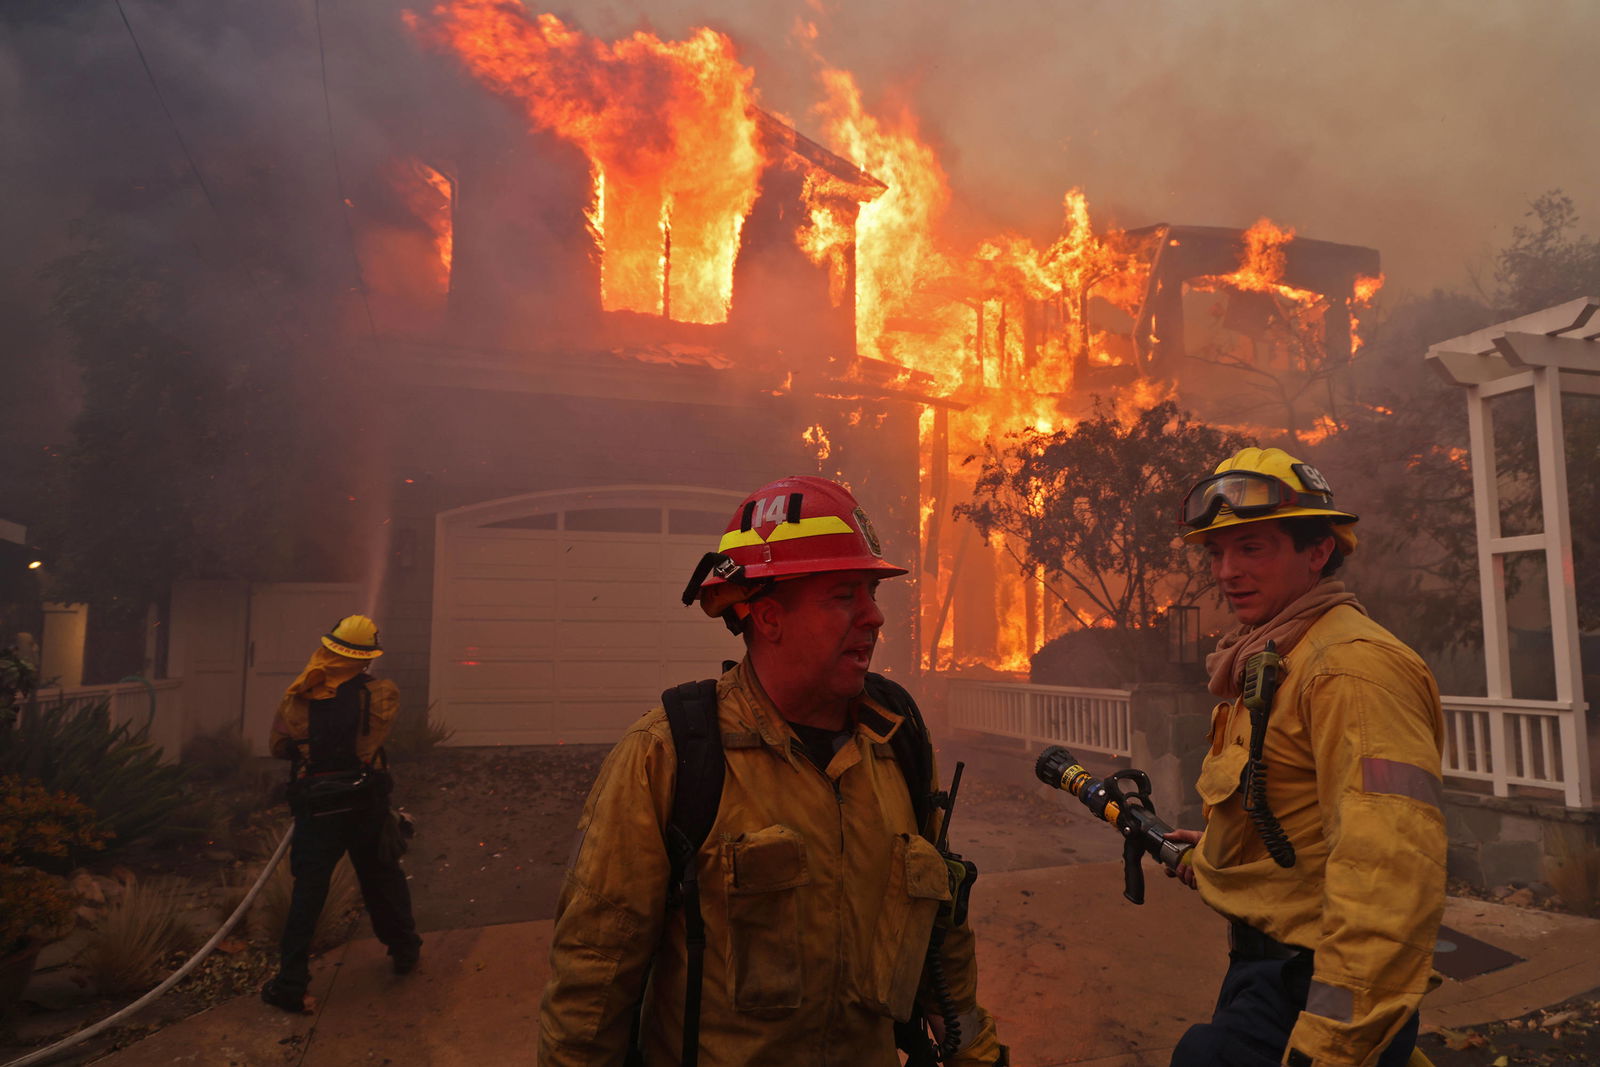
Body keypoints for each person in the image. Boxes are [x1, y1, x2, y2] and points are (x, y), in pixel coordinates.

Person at [539, 475, 1006, 1066]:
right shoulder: (670, 755)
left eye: (871, 592)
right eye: (844, 595)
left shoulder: (897, 741)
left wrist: (977, 1053)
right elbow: (592, 983)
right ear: (767, 617)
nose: (874, 618)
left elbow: (943, 937)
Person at [1164, 447, 1446, 1067]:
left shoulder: (1352, 670)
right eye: (1215, 552)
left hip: (1315, 992)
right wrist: (1211, 856)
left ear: (1319, 552)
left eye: (1252, 548)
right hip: (1269, 972)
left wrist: (1331, 1046)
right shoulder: (1274, 655)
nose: (1226, 571)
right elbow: (1295, 819)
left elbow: (1389, 876)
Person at [260, 614, 422, 1013]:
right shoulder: (382, 693)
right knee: (382, 876)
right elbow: (374, 737)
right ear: (365, 659)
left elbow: (278, 747)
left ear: (328, 647)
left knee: (308, 894)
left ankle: (291, 984)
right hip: (366, 802)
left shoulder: (298, 696)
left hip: (317, 808)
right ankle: (404, 951)